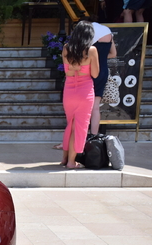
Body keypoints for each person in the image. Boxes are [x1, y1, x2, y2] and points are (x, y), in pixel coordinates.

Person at [61, 21, 99, 169]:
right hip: (85, 91)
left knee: (70, 124)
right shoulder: (91, 50)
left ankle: (64, 158)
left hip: (69, 90)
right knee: (80, 126)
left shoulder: (66, 48)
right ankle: (71, 162)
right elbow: (95, 74)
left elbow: (66, 71)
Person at [90, 21, 117, 135]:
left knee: (83, 106)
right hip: (103, 71)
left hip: (89, 71)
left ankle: (78, 138)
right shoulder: (108, 32)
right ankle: (94, 135)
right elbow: (113, 53)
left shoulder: (89, 31)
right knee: (96, 107)